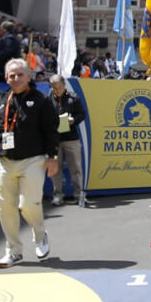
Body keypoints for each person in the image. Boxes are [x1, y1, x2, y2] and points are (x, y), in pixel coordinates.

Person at [0, 58, 59, 268]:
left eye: (20, 74)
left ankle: (40, 235)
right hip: (5, 161)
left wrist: (52, 157)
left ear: (29, 76)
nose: (15, 78)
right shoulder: (0, 101)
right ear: (6, 78)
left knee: (28, 204)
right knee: (5, 207)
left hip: (33, 159)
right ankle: (13, 250)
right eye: (11, 75)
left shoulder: (41, 100)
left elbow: (51, 130)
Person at [48, 74, 87, 207]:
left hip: (71, 138)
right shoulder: (48, 99)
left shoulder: (73, 98)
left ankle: (79, 194)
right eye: (54, 88)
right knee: (54, 169)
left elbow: (82, 114)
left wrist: (73, 120)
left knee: (76, 167)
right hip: (54, 139)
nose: (57, 91)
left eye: (59, 88)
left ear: (64, 85)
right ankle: (57, 195)